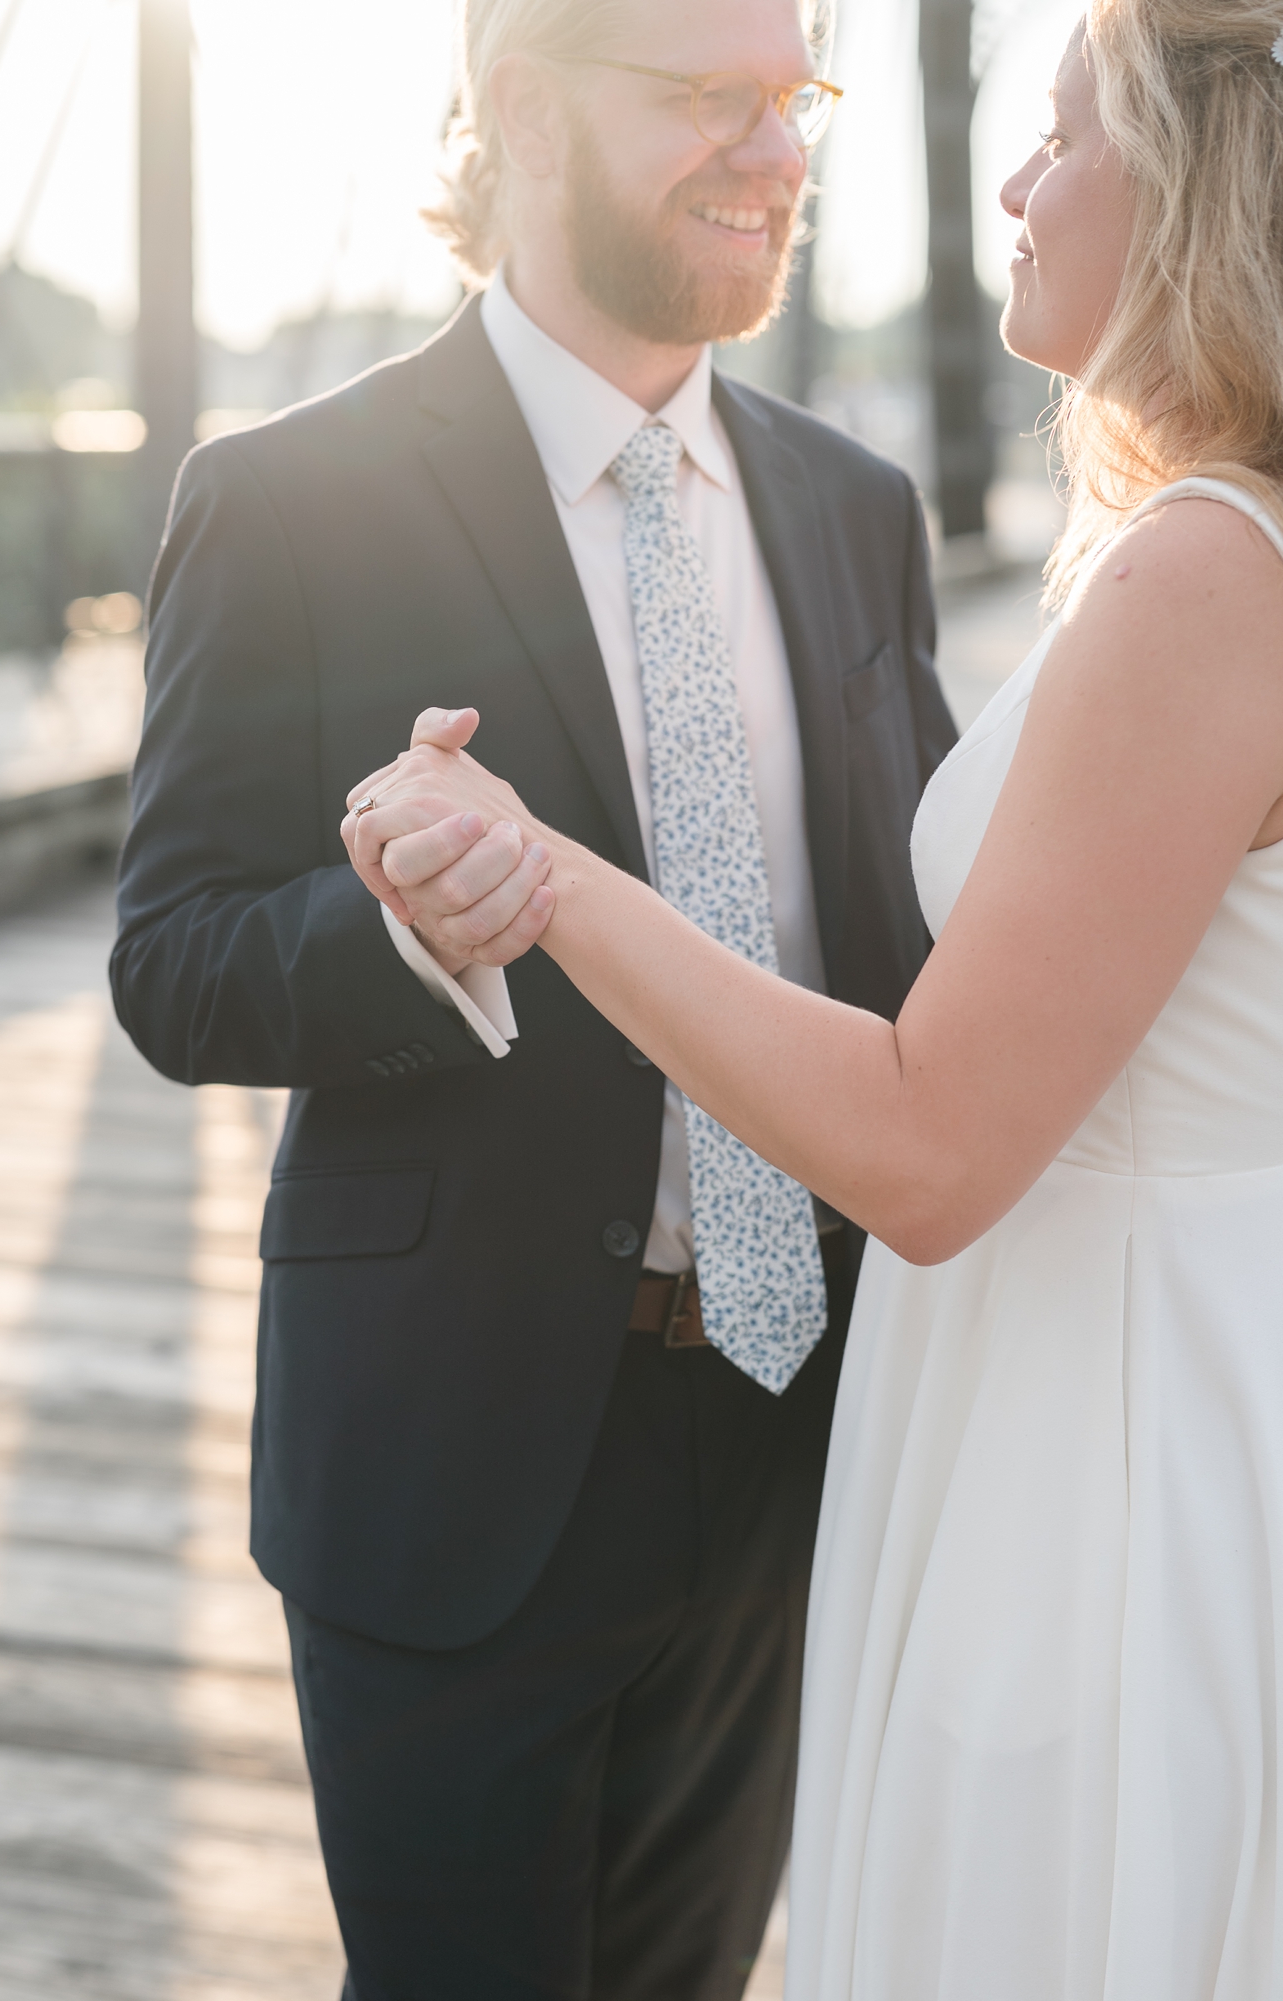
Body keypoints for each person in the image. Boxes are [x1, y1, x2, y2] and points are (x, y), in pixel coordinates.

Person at [343, 1, 1283, 1991]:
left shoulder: (1210, 574)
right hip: (1102, 1364)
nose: (1010, 188)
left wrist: (549, 875)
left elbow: (934, 1142)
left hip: (1099, 1434)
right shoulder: (1209, 550)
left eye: (1061, 139)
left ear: (1202, 186)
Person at [110, 0, 956, 1991]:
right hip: (453, 1457)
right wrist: (404, 928)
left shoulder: (857, 511)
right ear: (521, 110)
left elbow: (908, 945)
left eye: (799, 98)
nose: (775, 149)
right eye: (708, 100)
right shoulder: (288, 496)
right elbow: (171, 961)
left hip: (787, 1428)